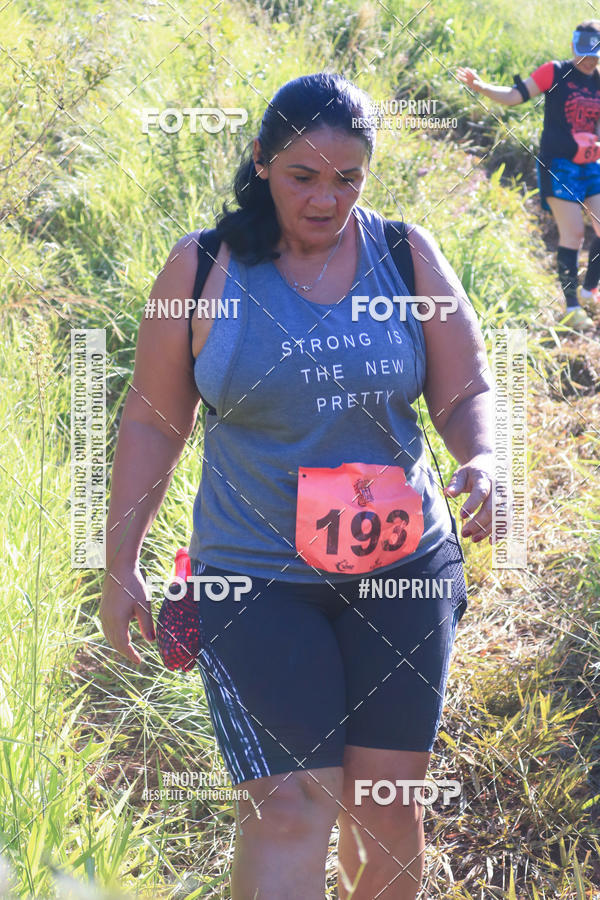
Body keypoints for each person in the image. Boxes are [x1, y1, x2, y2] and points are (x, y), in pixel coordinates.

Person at [100, 72, 497, 900]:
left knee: (385, 803)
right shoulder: (202, 268)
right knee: (288, 807)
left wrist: (481, 458)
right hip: (254, 575)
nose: (326, 199)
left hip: (402, 567)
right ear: (261, 163)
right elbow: (150, 423)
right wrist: (119, 561)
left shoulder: (403, 254)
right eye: (303, 177)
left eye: (347, 179)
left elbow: (466, 391)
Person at [457, 20, 600, 333]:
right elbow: (514, 95)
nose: (589, 59)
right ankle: (572, 305)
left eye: (595, 53)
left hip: (591, 165)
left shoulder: (599, 81)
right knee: (574, 233)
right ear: (575, 46)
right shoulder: (556, 71)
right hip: (559, 165)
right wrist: (481, 87)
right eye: (585, 51)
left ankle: (590, 290)